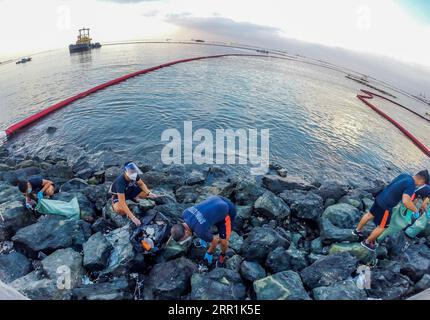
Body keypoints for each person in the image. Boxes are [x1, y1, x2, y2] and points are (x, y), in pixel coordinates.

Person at [353, 170, 429, 251]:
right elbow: (406, 201)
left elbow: (393, 185)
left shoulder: (404, 175)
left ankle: (357, 230)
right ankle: (367, 242)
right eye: (423, 183)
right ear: (422, 180)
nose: (421, 185)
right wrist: (415, 210)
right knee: (383, 227)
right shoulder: (411, 185)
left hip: (380, 197)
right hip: (386, 206)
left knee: (369, 215)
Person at [170, 195, 236, 267]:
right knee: (203, 224)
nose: (186, 239)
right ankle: (204, 239)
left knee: (223, 241)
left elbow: (215, 241)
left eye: (184, 238)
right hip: (216, 199)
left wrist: (209, 252)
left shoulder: (200, 231)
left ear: (186, 232)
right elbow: (201, 221)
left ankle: (222, 255)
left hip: (228, 210)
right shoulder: (185, 213)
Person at [109, 162, 157, 226]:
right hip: (119, 195)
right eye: (131, 172)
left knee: (147, 194)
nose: (133, 174)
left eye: (134, 172)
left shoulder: (135, 175)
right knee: (119, 209)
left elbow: (141, 184)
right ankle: (129, 204)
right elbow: (122, 202)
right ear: (126, 172)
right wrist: (133, 218)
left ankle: (135, 198)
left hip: (130, 189)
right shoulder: (120, 182)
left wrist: (149, 192)